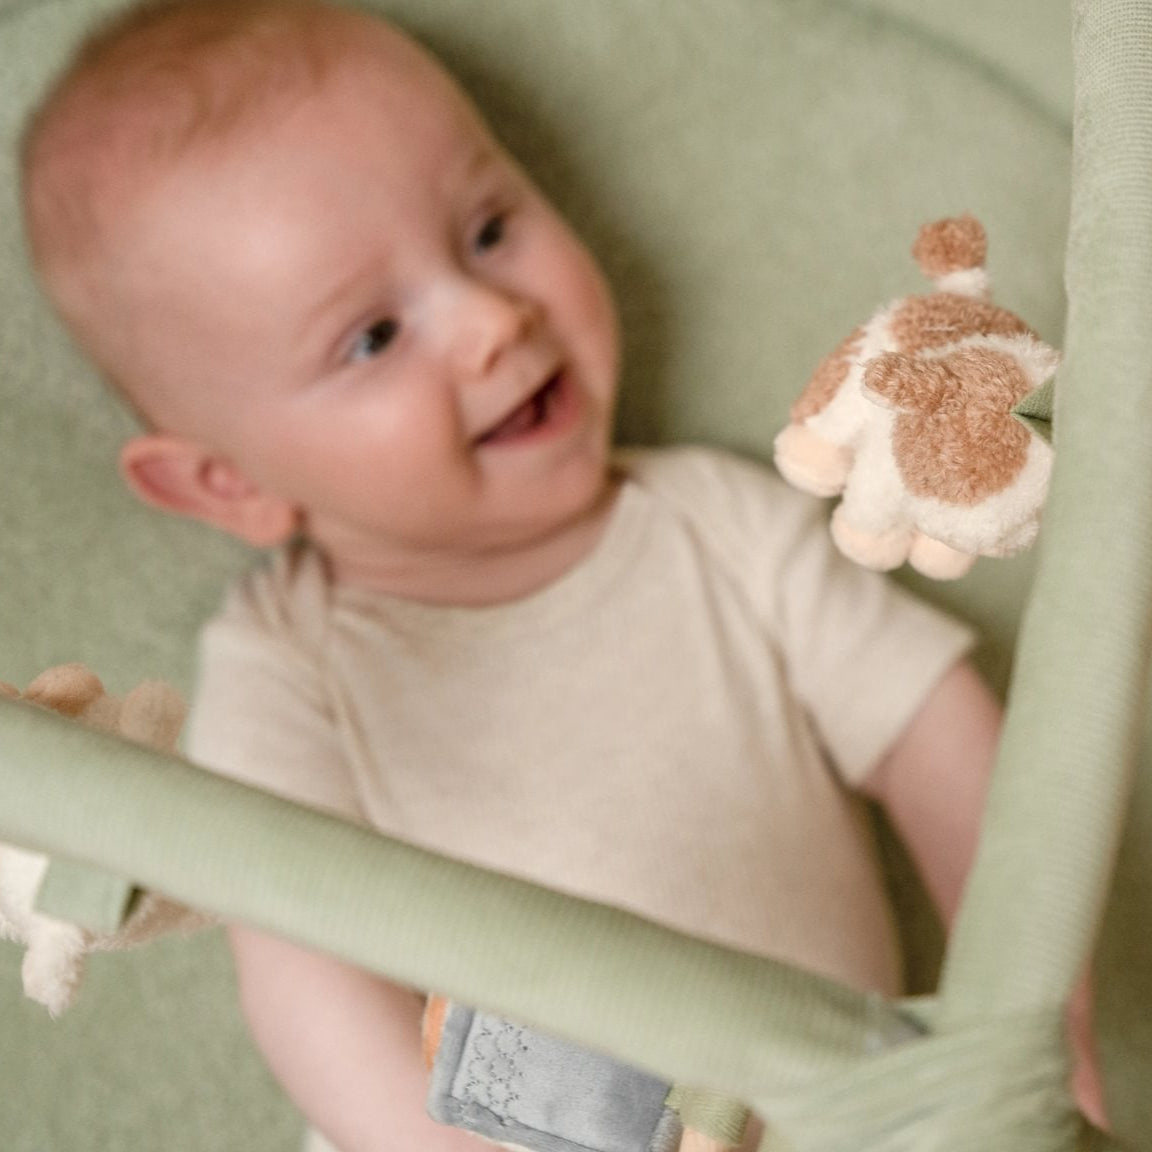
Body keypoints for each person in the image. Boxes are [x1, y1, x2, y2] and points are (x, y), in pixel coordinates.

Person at [18, 1, 1103, 1148]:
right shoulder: (289, 663)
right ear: (226, 485)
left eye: (487, 229)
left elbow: (935, 736)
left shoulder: (718, 525)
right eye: (373, 337)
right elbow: (298, 969)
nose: (491, 318)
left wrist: (1034, 1020)